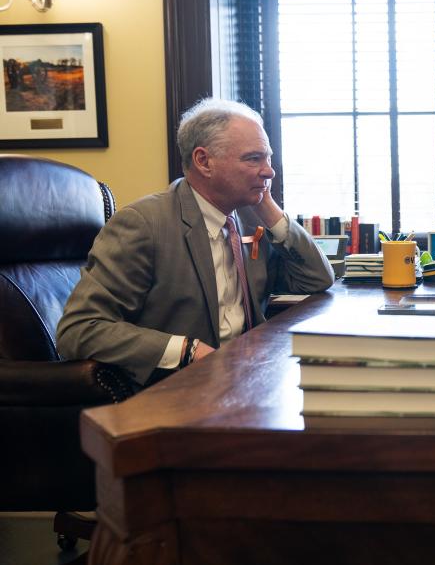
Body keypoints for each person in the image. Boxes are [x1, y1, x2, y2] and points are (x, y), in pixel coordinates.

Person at [57, 98, 335, 384]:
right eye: (254, 159)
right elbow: (79, 329)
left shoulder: (250, 219)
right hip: (180, 388)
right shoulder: (144, 224)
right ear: (204, 161)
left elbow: (316, 279)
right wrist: (187, 350)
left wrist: (268, 207)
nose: (269, 171)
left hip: (250, 377)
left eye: (268, 158)